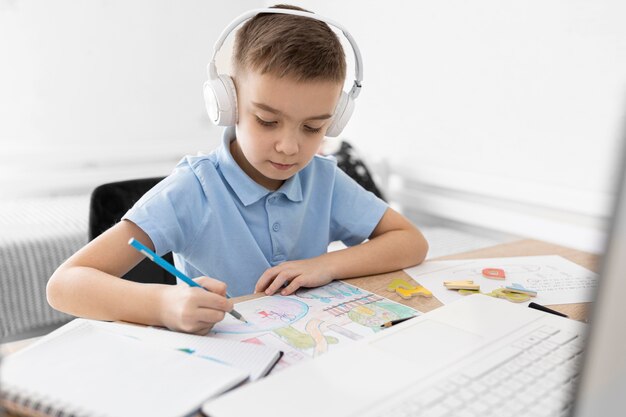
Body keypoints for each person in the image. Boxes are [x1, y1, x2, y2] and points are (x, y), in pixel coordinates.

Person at [47, 4, 428, 335]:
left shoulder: (323, 179)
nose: (290, 146)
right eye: (266, 120)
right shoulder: (192, 190)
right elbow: (65, 285)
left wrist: (326, 265)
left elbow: (411, 241)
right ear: (227, 104)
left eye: (313, 128)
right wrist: (163, 304)